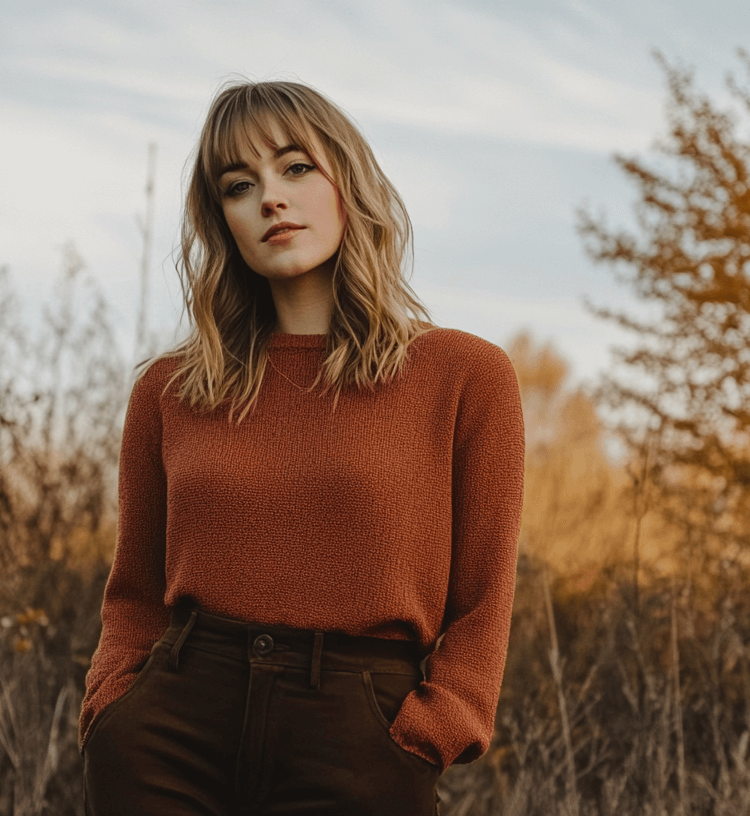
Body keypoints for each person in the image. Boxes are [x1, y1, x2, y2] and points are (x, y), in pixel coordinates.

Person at [78, 79, 525, 816]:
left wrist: (434, 729)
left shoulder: (465, 376)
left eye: (295, 168)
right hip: (170, 736)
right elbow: (133, 592)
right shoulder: (168, 390)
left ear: (348, 181)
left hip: (362, 740)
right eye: (238, 185)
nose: (270, 200)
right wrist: (112, 709)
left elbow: (483, 599)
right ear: (222, 219)